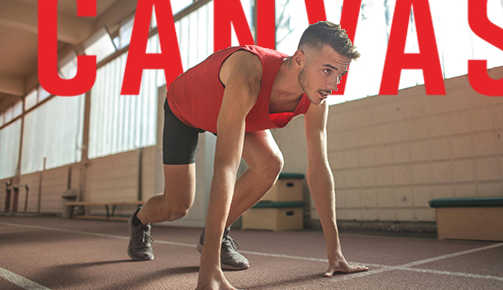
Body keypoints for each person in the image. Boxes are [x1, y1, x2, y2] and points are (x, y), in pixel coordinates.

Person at [127, 21, 369, 290]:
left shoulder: (316, 100)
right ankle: (140, 220)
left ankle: (216, 237)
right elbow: (226, 167)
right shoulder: (249, 73)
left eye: (340, 74)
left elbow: (319, 170)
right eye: (327, 70)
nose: (334, 83)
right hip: (186, 109)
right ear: (299, 59)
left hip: (240, 112)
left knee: (270, 164)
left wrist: (335, 253)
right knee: (177, 206)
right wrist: (209, 271)